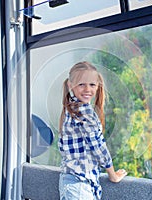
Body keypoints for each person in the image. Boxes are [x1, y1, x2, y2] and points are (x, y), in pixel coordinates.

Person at [58, 61, 127, 200]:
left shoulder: (71, 107)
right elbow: (98, 147)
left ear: (97, 86)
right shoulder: (85, 112)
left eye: (92, 84)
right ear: (70, 85)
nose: (87, 89)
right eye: (81, 84)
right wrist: (112, 175)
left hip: (71, 183)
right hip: (79, 187)